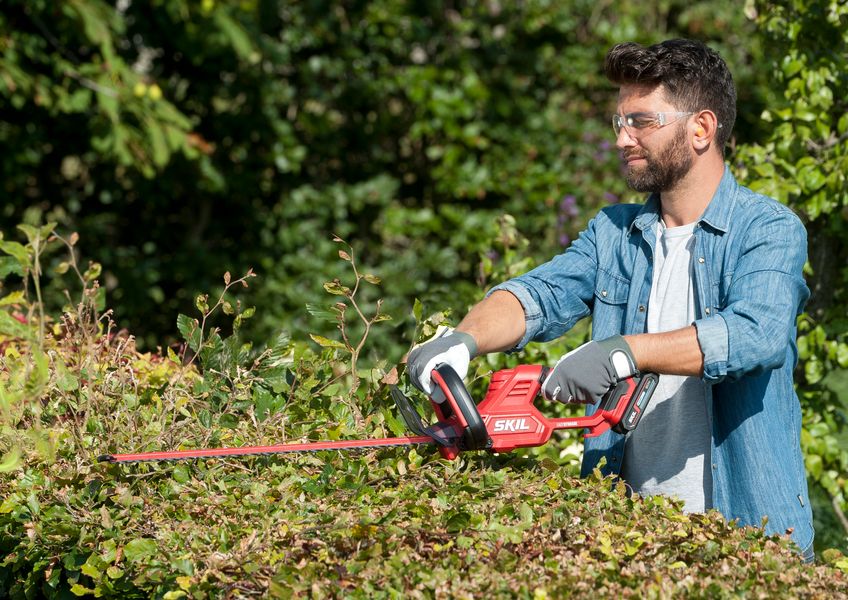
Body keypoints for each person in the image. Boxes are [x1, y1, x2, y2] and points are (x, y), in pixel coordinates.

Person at [407, 39, 814, 561]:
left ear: (701, 128)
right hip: (625, 541)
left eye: (642, 121)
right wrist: (464, 340)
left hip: (749, 539)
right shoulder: (614, 232)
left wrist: (624, 351)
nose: (623, 139)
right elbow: (539, 294)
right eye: (619, 123)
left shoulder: (767, 229)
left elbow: (755, 335)